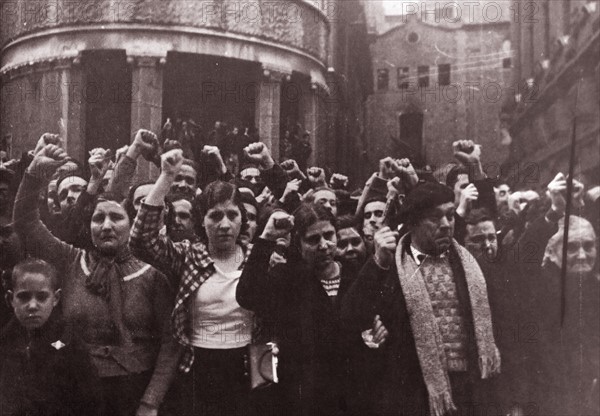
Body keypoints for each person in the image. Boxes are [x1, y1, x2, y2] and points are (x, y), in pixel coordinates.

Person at [13, 143, 180, 416]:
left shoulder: (152, 277)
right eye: (97, 218)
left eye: (116, 217)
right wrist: (33, 175)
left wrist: (150, 403)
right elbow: (26, 224)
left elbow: (171, 343)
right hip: (75, 390)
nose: (106, 226)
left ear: (131, 222)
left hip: (135, 393)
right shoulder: (70, 261)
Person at [342, 181, 500, 416]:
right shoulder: (390, 268)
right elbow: (349, 316)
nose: (446, 225)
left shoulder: (472, 266)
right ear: (413, 222)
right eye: (435, 218)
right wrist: (377, 263)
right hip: (412, 395)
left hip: (471, 392)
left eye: (449, 215)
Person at [130, 148, 254, 416]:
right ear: (201, 221)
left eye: (232, 215)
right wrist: (166, 177)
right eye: (215, 216)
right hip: (198, 365)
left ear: (242, 219)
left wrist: (268, 378)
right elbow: (141, 241)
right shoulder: (188, 254)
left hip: (248, 364)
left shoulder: (258, 258)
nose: (224, 224)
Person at [237, 204, 361, 416]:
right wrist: (266, 238)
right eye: (313, 239)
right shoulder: (287, 279)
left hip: (349, 398)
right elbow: (247, 296)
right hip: (300, 400)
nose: (324, 245)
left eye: (329, 235)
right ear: (298, 243)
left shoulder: (354, 274)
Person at [0, 258, 104, 416]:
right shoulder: (5, 342)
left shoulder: (68, 343)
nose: (33, 305)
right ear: (10, 299)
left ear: (55, 299)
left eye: (42, 297)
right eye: (23, 297)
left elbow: (90, 402)